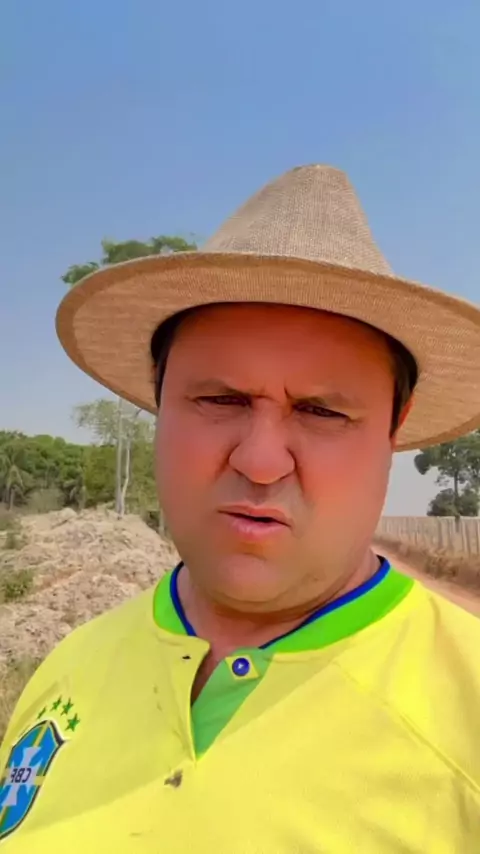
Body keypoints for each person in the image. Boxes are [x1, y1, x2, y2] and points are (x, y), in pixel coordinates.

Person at [1, 165, 480, 853]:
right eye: (219, 400)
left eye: (321, 411)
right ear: (159, 403)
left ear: (392, 431)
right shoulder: (67, 672)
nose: (259, 460)